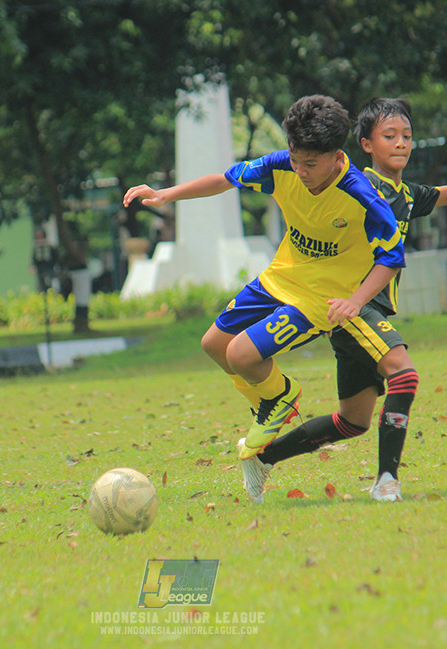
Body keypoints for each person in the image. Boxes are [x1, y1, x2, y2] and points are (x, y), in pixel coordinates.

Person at [239, 97, 447, 503]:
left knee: (352, 421)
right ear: (365, 145)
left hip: (362, 309)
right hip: (353, 305)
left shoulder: (406, 195)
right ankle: (386, 481)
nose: (401, 144)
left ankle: (264, 458)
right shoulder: (359, 186)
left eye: (407, 136)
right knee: (404, 374)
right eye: (389, 136)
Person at [123, 94, 404, 464]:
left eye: (310, 164)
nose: (299, 170)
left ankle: (281, 395)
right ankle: (274, 401)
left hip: (320, 298)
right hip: (279, 278)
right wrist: (165, 195)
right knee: (214, 344)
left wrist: (355, 301)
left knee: (241, 354)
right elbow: (224, 180)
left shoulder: (362, 196)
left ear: (337, 158)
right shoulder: (281, 167)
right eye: (294, 159)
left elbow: (391, 259)